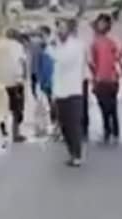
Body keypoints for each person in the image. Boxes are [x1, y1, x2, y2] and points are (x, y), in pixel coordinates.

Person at [50, 18, 89, 166]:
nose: (59, 31)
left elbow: (65, 61)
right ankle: (72, 154)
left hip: (73, 91)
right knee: (64, 126)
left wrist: (53, 48)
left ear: (70, 30)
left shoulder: (77, 46)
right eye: (58, 28)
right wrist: (54, 93)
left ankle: (77, 155)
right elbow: (57, 71)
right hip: (60, 92)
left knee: (74, 125)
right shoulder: (58, 46)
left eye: (62, 28)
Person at [88, 13, 122, 145]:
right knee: (104, 107)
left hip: (112, 78)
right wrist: (94, 77)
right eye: (100, 23)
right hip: (100, 79)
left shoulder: (112, 42)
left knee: (112, 107)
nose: (101, 25)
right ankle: (107, 130)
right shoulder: (94, 43)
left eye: (104, 23)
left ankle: (115, 131)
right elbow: (92, 62)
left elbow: (118, 58)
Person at [0, 28, 28, 142]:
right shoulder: (18, 46)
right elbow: (21, 62)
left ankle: (6, 128)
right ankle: (16, 133)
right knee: (17, 108)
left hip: (6, 82)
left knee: (11, 106)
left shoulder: (1, 47)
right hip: (16, 81)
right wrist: (22, 77)